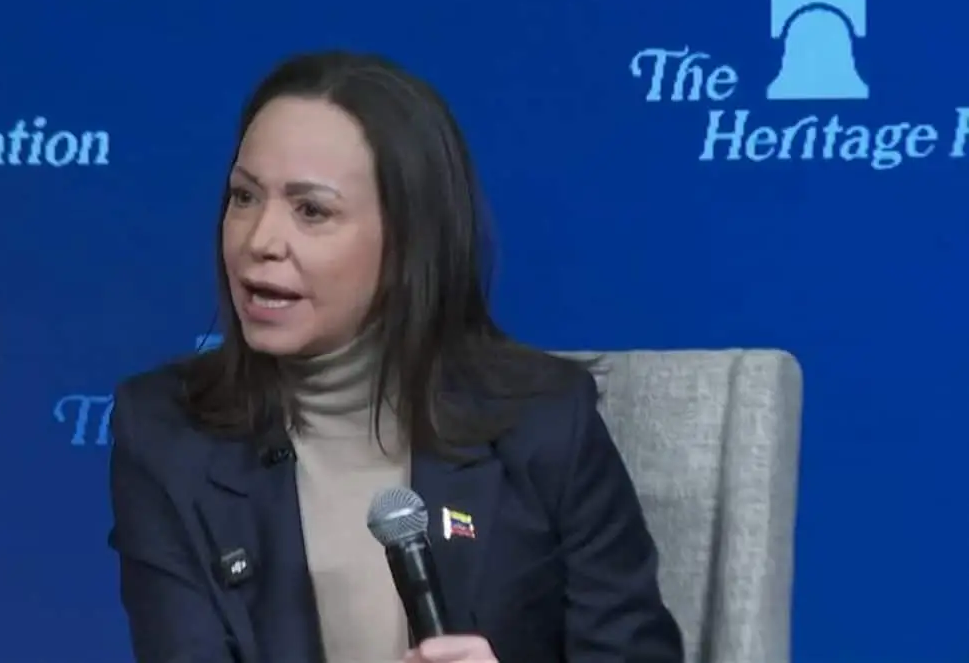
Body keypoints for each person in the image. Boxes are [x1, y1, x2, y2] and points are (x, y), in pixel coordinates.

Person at [107, 50, 684, 663]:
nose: (259, 240)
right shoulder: (166, 432)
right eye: (244, 197)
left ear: (409, 239)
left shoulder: (544, 422)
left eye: (311, 210)